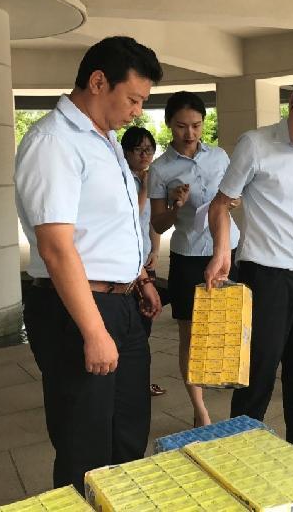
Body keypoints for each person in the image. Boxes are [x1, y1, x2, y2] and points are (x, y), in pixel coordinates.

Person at [14, 36, 164, 491]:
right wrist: (95, 332)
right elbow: (57, 248)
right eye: (133, 98)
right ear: (98, 82)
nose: (137, 111)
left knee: (128, 433)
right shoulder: (53, 142)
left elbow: (107, 227)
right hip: (78, 310)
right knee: (85, 447)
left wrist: (140, 278)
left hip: (122, 305)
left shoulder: (107, 140)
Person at [204, 69, 293, 458]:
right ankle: (240, 455)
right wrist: (222, 251)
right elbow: (221, 205)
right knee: (257, 376)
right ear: (292, 102)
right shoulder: (255, 145)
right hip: (263, 278)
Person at [149, 91, 240, 427]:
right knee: (189, 333)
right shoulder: (160, 169)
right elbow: (158, 224)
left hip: (226, 249)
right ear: (169, 124)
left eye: (196, 125)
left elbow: (235, 198)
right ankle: (199, 408)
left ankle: (223, 376)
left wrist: (232, 202)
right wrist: (175, 205)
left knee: (226, 324)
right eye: (181, 126)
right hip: (188, 255)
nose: (189, 133)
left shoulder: (219, 157)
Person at [121, 126, 166, 398]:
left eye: (149, 149)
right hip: (126, 265)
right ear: (126, 152)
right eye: (138, 150)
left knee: (145, 324)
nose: (144, 155)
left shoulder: (149, 178)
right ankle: (130, 383)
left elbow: (153, 221)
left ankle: (139, 381)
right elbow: (132, 214)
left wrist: (156, 250)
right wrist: (146, 188)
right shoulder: (123, 178)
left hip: (145, 263)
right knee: (131, 328)